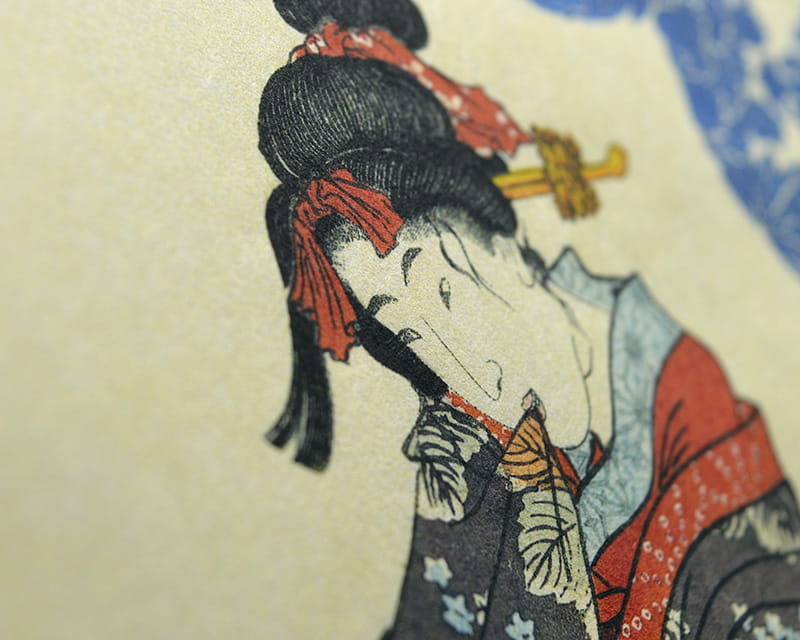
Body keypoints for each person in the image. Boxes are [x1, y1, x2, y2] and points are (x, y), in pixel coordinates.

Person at [258, 2, 800, 638]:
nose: (471, 375)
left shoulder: (711, 468)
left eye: (446, 290)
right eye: (410, 333)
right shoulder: (472, 455)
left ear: (507, 242)